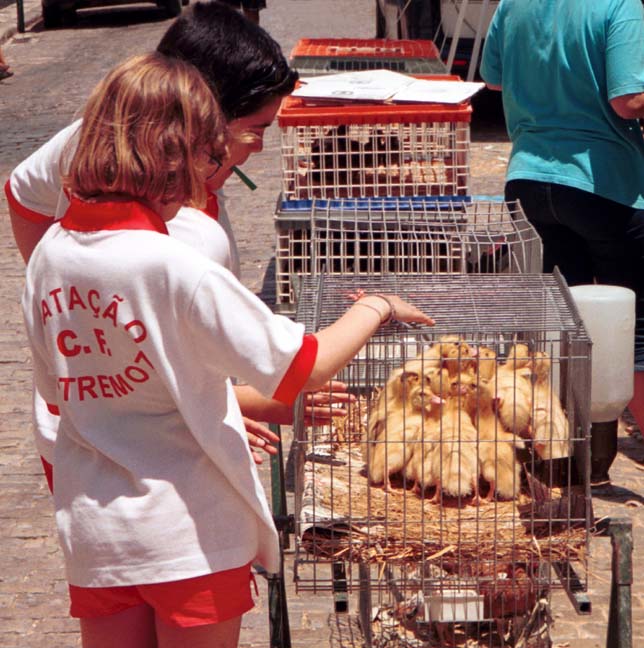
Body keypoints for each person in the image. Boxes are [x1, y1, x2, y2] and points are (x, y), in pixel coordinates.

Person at [21, 51, 434, 647]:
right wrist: (377, 306)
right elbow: (304, 365)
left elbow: (61, 390)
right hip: (187, 532)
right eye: (211, 154)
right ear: (176, 152)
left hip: (96, 532)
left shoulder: (52, 255)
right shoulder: (175, 267)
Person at [6, 1, 346, 487]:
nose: (261, 148)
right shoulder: (180, 236)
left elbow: (22, 189)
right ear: (199, 116)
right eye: (255, 130)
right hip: (124, 454)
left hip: (117, 427)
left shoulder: (119, 142)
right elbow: (167, 373)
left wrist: (64, 284)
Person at [480, 0, 644, 444]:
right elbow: (628, 101)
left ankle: (566, 442)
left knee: (562, 326)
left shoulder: (512, 4)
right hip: (603, 181)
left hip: (528, 179)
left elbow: (493, 80)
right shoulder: (619, 4)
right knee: (635, 324)